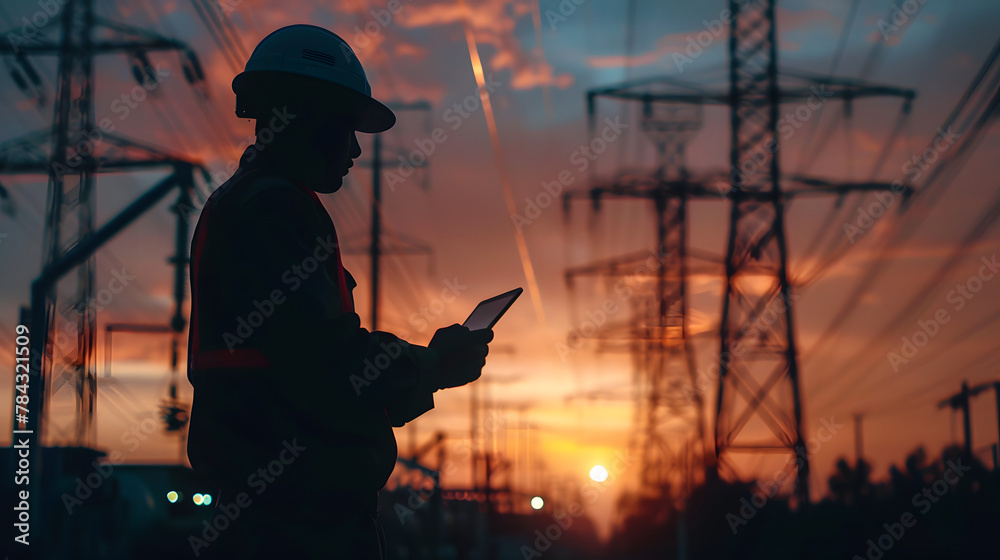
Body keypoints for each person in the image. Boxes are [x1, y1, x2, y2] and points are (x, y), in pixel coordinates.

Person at [185, 24, 493, 559]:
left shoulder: (256, 204)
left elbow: (315, 378)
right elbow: (330, 363)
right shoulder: (275, 211)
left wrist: (424, 372)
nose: (354, 149)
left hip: (280, 511)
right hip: (292, 523)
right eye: (345, 127)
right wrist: (433, 366)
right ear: (302, 117)